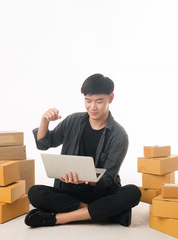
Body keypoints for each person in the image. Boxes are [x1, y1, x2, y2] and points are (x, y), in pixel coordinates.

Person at [25, 73, 141, 228]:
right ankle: (109, 213)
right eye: (88, 101)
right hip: (69, 192)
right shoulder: (73, 121)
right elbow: (44, 143)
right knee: (34, 193)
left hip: (100, 193)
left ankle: (59, 219)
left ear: (110, 98)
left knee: (133, 193)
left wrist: (86, 179)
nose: (92, 107)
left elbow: (107, 180)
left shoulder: (119, 135)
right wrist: (44, 121)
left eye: (99, 101)